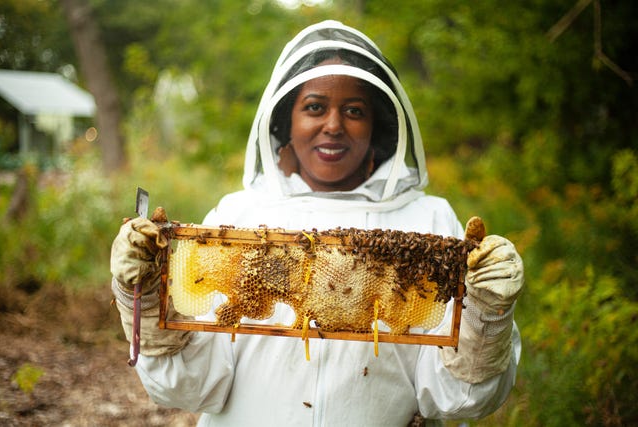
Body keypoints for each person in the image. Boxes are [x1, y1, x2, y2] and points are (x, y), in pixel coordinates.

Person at [110, 20, 523, 426]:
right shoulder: (238, 217)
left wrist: (485, 316)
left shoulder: (430, 220)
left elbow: (458, 397)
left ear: (378, 124)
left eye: (354, 110)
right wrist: (146, 300)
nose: (333, 125)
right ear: (285, 120)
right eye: (314, 107)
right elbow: (187, 388)